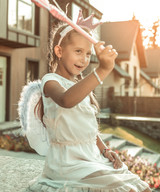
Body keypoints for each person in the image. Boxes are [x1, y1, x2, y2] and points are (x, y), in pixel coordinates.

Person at [25, 12, 151, 192]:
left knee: (142, 187)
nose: (84, 59)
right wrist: (102, 70)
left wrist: (106, 151)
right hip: (67, 163)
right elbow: (66, 99)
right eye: (78, 51)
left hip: (91, 157)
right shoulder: (50, 81)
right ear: (59, 51)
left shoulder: (80, 86)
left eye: (88, 54)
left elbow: (87, 129)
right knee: (127, 190)